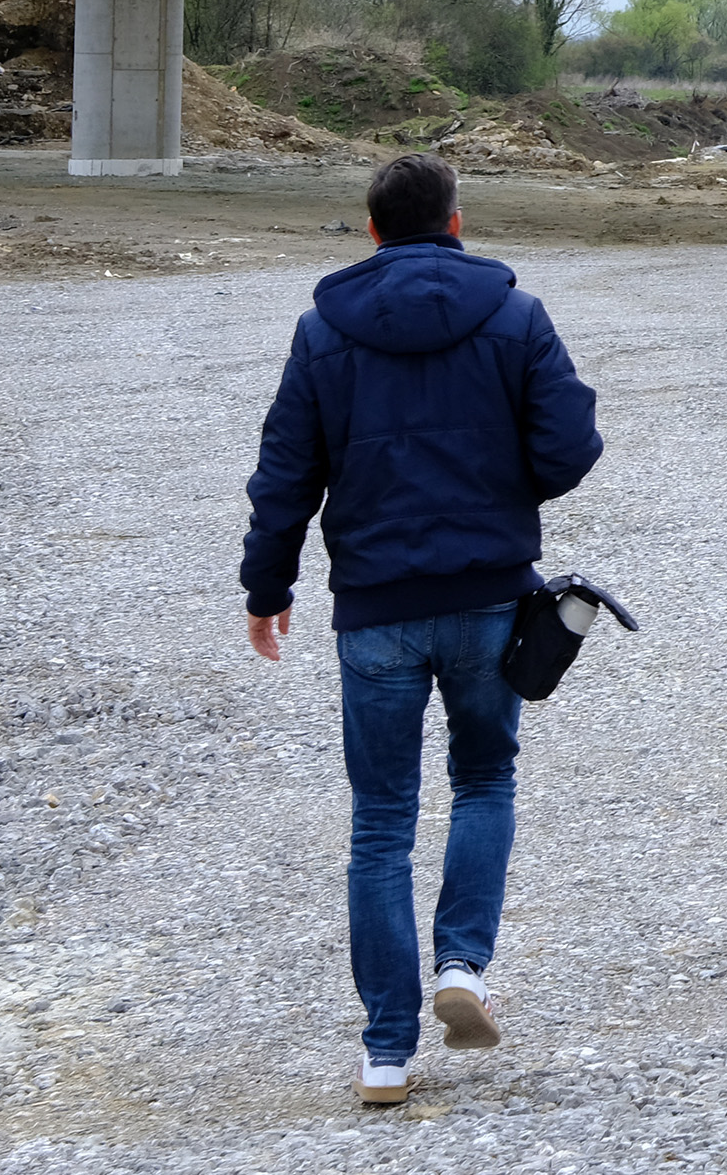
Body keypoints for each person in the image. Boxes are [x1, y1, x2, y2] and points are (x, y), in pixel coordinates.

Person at [238, 152, 604, 1109]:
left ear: (370, 231)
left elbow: (285, 475)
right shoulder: (515, 315)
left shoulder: (323, 333)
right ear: (455, 221)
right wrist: (503, 481)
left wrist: (265, 585)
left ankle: (386, 1053)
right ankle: (464, 966)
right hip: (490, 596)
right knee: (483, 777)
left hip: (375, 611)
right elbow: (570, 448)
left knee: (379, 823)